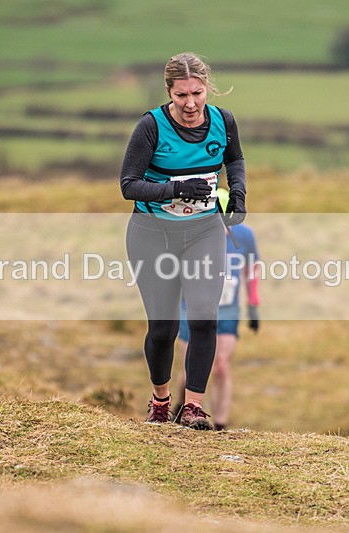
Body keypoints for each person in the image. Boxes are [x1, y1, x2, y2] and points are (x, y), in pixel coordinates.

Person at [120, 52, 247, 430]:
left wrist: (237, 192)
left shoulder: (223, 121)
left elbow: (234, 159)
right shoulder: (151, 127)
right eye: (181, 96)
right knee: (164, 328)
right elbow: (128, 185)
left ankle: (193, 407)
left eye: (198, 93)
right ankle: (160, 402)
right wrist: (175, 188)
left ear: (207, 87)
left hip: (204, 231)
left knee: (205, 316)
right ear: (169, 93)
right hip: (152, 233)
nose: (191, 103)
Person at [176, 189, 260, 431]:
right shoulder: (192, 232)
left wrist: (254, 305)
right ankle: (182, 408)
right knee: (187, 373)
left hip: (227, 311)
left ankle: (219, 425)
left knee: (221, 365)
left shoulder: (244, 236)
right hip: (191, 309)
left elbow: (252, 268)